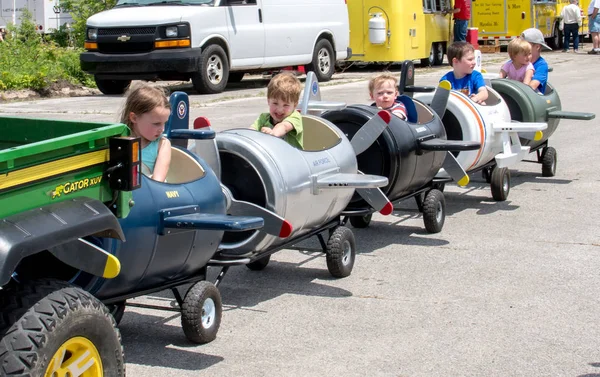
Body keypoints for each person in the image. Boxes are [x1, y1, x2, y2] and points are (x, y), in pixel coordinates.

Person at [120, 82, 172, 182]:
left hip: (151, 193)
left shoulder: (162, 144)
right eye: (156, 123)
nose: (162, 129)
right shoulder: (120, 143)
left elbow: (158, 181)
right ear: (134, 118)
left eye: (164, 123)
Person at [250, 71, 303, 149]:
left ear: (294, 105)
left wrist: (273, 133)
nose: (280, 110)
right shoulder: (263, 118)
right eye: (275, 103)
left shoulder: (295, 117)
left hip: (292, 158)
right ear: (268, 101)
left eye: (286, 105)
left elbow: (284, 126)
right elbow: (251, 131)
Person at [520, 28, 552, 94]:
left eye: (525, 45)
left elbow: (532, 87)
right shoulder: (517, 61)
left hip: (532, 100)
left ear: (537, 47)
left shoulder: (541, 65)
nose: (520, 47)